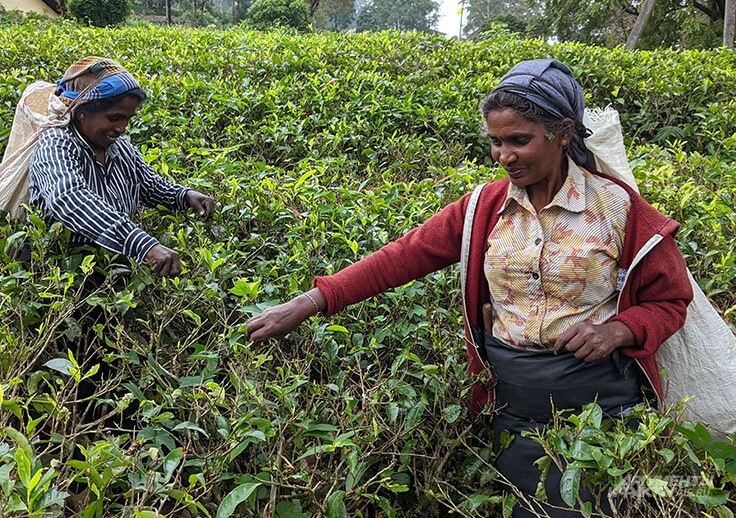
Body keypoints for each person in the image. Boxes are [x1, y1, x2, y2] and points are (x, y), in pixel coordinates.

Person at [246, 59, 693, 516]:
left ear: (562, 133)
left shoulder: (618, 208)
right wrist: (309, 301)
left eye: (520, 140)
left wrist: (618, 331)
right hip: (512, 399)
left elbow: (671, 299)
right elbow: (402, 257)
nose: (505, 156)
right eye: (496, 142)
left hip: (600, 400)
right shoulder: (484, 207)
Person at [29, 56, 215, 276]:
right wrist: (142, 245)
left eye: (127, 119)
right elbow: (71, 200)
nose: (121, 128)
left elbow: (151, 186)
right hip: (62, 273)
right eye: (114, 118)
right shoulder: (55, 144)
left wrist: (185, 196)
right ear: (82, 112)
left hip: (111, 264)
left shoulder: (120, 148)